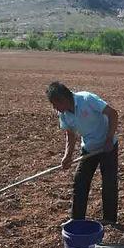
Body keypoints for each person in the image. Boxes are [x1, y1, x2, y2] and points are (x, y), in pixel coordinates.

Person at [46, 81, 119, 224]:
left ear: (63, 99)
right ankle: (77, 219)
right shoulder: (64, 114)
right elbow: (70, 135)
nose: (55, 108)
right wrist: (67, 156)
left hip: (107, 147)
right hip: (89, 149)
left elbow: (113, 114)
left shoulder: (87, 99)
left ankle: (110, 220)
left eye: (55, 104)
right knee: (80, 181)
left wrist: (109, 139)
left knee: (109, 182)